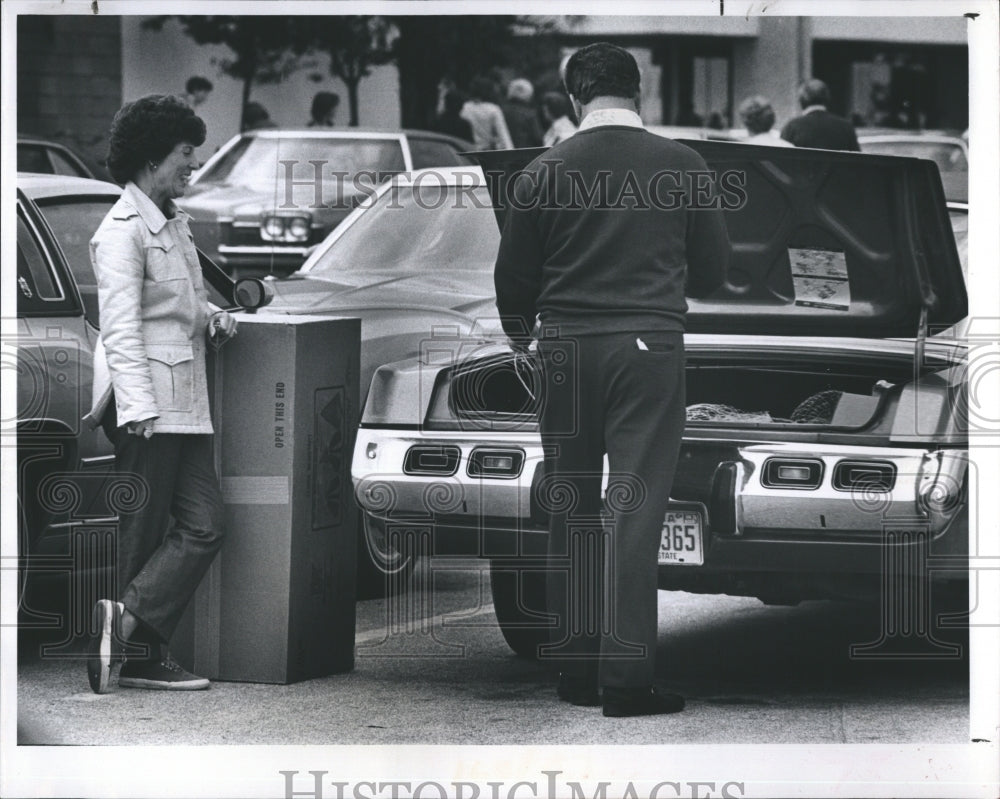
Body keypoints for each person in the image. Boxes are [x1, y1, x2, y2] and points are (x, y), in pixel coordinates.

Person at [493, 43, 730, 717]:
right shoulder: (683, 165)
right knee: (633, 509)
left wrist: (522, 337)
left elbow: (514, 279)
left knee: (570, 503)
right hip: (647, 347)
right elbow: (713, 273)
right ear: (640, 92)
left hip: (563, 347)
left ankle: (574, 665)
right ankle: (627, 681)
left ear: (574, 98)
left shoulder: (542, 170)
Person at [83, 94, 238, 693]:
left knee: (205, 524)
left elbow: (179, 311)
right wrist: (139, 407)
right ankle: (138, 656)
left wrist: (213, 320)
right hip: (148, 405)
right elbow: (120, 327)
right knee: (142, 534)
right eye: (184, 152)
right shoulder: (121, 231)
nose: (193, 164)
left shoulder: (173, 223)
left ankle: (122, 626)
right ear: (152, 158)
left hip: (187, 404)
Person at [780, 79, 860, 151]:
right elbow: (858, 162)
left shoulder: (792, 127)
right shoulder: (846, 127)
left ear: (801, 101)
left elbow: (780, 160)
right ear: (827, 98)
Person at [460, 76, 514, 150]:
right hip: (485, 152)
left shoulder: (465, 107)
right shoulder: (493, 109)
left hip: (467, 150)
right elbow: (504, 136)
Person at [502, 78, 544, 148]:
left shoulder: (501, 111)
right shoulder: (529, 114)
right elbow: (538, 138)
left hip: (503, 154)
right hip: (526, 154)